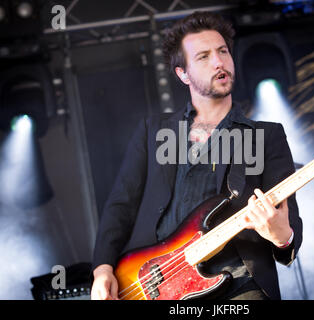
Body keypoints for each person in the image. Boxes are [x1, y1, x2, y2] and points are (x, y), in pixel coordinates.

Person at [91, 11, 302, 300]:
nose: (219, 61)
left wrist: (281, 236)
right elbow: (121, 205)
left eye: (223, 51)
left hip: (240, 285)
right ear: (183, 73)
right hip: (156, 283)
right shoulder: (153, 131)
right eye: (203, 57)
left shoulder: (266, 136)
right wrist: (102, 269)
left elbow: (291, 231)